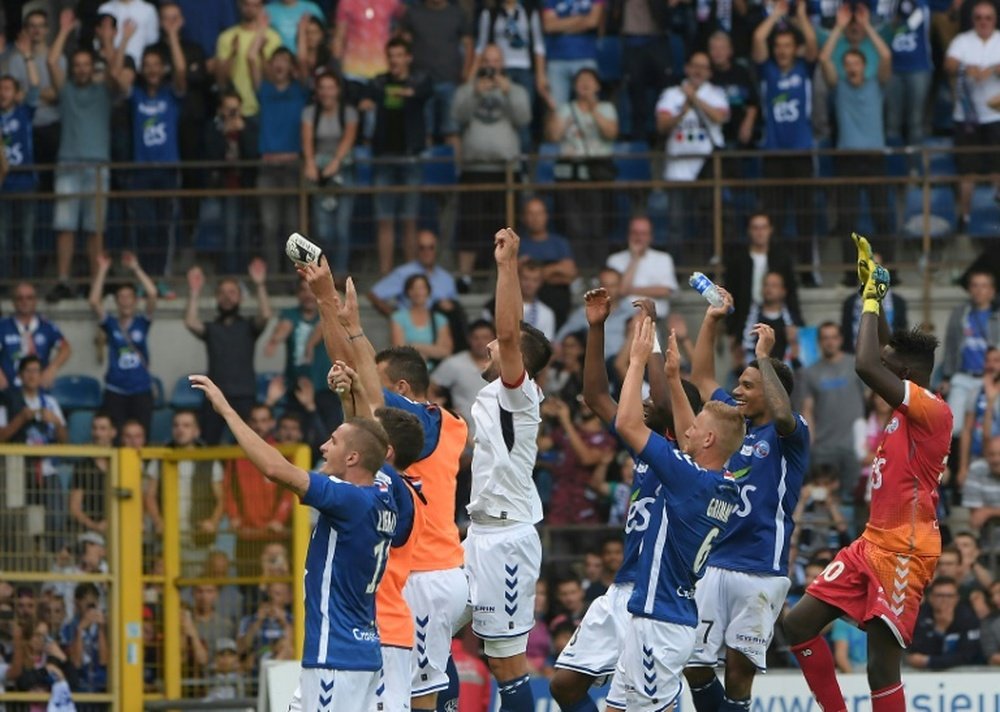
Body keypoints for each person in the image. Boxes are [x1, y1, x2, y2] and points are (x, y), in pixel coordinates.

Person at [783, 235, 953, 712]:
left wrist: (872, 302)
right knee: (796, 626)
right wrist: (870, 296)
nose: (883, 361)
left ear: (904, 374)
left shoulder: (933, 411)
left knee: (881, 664)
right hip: (872, 541)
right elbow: (882, 353)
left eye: (890, 365)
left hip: (906, 547)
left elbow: (865, 362)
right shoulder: (908, 400)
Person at [298, 259, 469, 712]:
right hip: (431, 570)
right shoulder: (447, 425)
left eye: (377, 375)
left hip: (423, 575)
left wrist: (330, 305)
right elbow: (355, 385)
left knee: (414, 697)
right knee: (426, 683)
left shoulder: (419, 421)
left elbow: (361, 377)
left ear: (402, 387)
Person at [190, 373, 398, 710]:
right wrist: (348, 396)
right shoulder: (382, 493)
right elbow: (364, 441)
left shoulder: (347, 500)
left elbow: (274, 469)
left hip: (336, 657)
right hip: (360, 652)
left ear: (352, 459)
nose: (322, 447)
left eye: (332, 441)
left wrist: (227, 412)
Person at [549, 289, 698, 712]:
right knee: (564, 685)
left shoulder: (689, 460)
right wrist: (596, 328)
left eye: (655, 400)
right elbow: (596, 396)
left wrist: (649, 337)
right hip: (623, 586)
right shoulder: (645, 448)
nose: (645, 401)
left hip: (658, 594)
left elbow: (666, 395)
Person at [684, 290, 810, 711]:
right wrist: (711, 318)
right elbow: (701, 377)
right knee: (695, 665)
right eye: (739, 382)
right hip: (714, 562)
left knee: (739, 673)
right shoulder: (732, 424)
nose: (737, 390)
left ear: (772, 391)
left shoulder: (789, 433)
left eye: (748, 385)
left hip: (759, 569)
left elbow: (781, 413)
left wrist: (765, 357)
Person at [614, 320, 746, 712]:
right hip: (667, 615)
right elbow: (697, 435)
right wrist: (673, 378)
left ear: (708, 440)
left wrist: (637, 362)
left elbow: (626, 423)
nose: (683, 432)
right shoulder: (723, 482)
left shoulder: (689, 479)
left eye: (695, 430)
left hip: (660, 620)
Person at [462, 228, 552, 712]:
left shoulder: (519, 396)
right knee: (429, 620)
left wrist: (506, 266)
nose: (490, 346)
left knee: (506, 664)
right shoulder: (495, 396)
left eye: (499, 345)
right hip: (475, 534)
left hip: (506, 540)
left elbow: (509, 333)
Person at [45, 8, 116, 303]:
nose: (82, 69)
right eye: (77, 65)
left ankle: (94, 280)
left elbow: (113, 69)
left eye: (87, 65)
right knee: (65, 226)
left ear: (92, 66)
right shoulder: (66, 91)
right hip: (68, 165)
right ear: (73, 67)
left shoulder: (104, 91)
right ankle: (64, 279)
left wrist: (108, 39)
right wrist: (64, 30)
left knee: (94, 229)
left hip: (98, 167)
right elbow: (51, 60)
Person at [821, 3, 894, 271]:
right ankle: (847, 269)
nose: (852, 67)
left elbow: (886, 57)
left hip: (875, 156)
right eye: (848, 64)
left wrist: (866, 28)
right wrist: (840, 27)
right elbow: (824, 59)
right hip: (847, 157)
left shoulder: (877, 83)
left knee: (881, 216)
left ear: (864, 66)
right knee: (847, 218)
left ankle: (891, 269)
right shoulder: (838, 86)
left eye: (857, 63)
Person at [752, 0, 820, 281]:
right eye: (778, 46)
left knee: (805, 215)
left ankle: (806, 272)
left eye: (788, 46)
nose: (782, 51)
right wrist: (778, 14)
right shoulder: (766, 70)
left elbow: (813, 43)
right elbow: (757, 38)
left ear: (795, 48)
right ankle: (775, 272)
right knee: (774, 217)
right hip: (774, 153)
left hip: (802, 151)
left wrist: (801, 16)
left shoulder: (804, 68)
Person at [452, 43, 531, 282]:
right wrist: (475, 93)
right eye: (486, 61)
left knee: (506, 228)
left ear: (502, 64)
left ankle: (506, 276)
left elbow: (524, 118)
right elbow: (457, 116)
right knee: (469, 226)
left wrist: (507, 93)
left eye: (495, 61)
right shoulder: (467, 89)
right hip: (474, 169)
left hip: (506, 171)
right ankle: (465, 277)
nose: (490, 66)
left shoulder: (516, 90)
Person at [360, 37, 433, 276]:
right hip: (383, 158)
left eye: (400, 56)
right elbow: (365, 95)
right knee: (385, 221)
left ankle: (412, 276)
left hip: (411, 158)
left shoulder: (420, 81)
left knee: (409, 220)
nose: (395, 61)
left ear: (408, 58)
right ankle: (385, 276)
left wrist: (407, 93)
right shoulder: (379, 83)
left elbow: (423, 91)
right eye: (391, 57)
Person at [184, 261, 273, 444]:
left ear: (241, 297)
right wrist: (194, 292)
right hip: (214, 395)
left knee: (249, 446)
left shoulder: (248, 326)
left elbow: (265, 315)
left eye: (232, 292)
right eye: (222, 293)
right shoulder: (212, 328)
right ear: (216, 297)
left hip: (244, 396)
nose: (227, 297)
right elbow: (191, 322)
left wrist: (259, 284)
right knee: (207, 446)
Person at [655, 51, 729, 255]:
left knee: (709, 221)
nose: (698, 70)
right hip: (677, 169)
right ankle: (676, 271)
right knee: (676, 223)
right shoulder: (671, 94)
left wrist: (694, 98)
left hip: (707, 168)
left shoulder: (716, 93)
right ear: (687, 68)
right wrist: (682, 110)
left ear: (709, 72)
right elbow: (662, 125)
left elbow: (720, 117)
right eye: (694, 65)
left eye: (703, 67)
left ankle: (709, 268)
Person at [88, 252, 158, 435]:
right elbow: (94, 301)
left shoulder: (142, 322)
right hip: (115, 390)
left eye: (129, 297)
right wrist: (103, 270)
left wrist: (135, 268)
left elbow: (152, 293)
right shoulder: (111, 324)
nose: (125, 301)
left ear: (135, 301)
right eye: (121, 297)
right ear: (117, 301)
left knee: (143, 434)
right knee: (116, 436)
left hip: (141, 388)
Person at [944, 0, 1000, 227]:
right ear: (972, 20)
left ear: (994, 19)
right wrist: (967, 68)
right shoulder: (962, 41)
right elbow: (948, 64)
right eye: (979, 17)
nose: (983, 22)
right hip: (966, 117)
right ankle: (964, 217)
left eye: (988, 17)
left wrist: (995, 69)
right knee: (967, 170)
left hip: (996, 116)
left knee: (998, 167)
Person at [548, 67, 618, 247]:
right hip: (570, 173)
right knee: (572, 224)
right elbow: (553, 136)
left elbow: (611, 133)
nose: (585, 83)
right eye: (580, 80)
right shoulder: (565, 109)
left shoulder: (606, 108)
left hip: (597, 172)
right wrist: (560, 117)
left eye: (589, 80)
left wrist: (593, 109)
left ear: (598, 86)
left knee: (598, 222)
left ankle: (596, 267)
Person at [222, 404, 295, 574]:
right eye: (254, 421)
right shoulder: (235, 454)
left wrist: (279, 519)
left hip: (275, 534)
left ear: (271, 423)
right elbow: (229, 489)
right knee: (247, 586)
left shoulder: (284, 452)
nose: (258, 425)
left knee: (278, 584)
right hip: (246, 533)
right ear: (247, 423)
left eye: (263, 420)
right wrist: (234, 517)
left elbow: (289, 491)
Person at [802, 322, 867, 502]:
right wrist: (810, 444)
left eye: (833, 337)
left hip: (853, 447)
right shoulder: (810, 373)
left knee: (853, 502)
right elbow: (807, 409)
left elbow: (871, 400)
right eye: (825, 338)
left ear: (840, 340)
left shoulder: (856, 365)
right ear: (819, 342)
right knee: (824, 502)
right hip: (823, 448)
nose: (830, 342)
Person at [301, 70, 359, 274]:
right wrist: (309, 163)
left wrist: (336, 161)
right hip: (319, 173)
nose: (327, 92)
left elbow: (349, 137)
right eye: (322, 88)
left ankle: (341, 274)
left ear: (338, 90)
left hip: (343, 171)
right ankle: (323, 273)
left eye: (331, 87)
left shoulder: (348, 112)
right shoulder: (310, 112)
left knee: (342, 229)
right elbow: (307, 139)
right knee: (323, 230)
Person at [399, 0, 474, 147]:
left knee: (452, 131)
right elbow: (402, 42)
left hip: (450, 80)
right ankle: (425, 169)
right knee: (424, 132)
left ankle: (455, 170)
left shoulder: (457, 13)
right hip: (420, 82)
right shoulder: (413, 13)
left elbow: (468, 44)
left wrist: (466, 72)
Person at [723, 212, 802, 340]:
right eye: (755, 228)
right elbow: (730, 293)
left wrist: (796, 322)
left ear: (770, 230)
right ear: (749, 231)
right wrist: (731, 328)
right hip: (746, 320)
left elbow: (791, 291)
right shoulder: (738, 260)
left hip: (777, 318)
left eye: (763, 228)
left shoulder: (782, 258)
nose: (760, 233)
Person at [941, 270, 1000, 440]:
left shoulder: (997, 316)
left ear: (992, 290)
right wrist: (946, 376)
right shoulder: (960, 313)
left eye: (984, 286)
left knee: (990, 426)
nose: (979, 290)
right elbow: (951, 346)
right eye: (975, 285)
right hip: (963, 377)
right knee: (953, 427)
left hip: (990, 379)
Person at [0, 70, 39, 279]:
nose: (2, 93)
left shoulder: (24, 112)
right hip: (2, 187)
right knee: (3, 239)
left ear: (16, 93)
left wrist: (27, 58)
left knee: (26, 239)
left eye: (6, 89)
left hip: (25, 185)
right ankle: (4, 286)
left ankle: (27, 283)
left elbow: (35, 88)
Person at [214, 0, 282, 117]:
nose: (251, 9)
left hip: (263, 108)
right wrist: (233, 54)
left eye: (256, 5)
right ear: (240, 5)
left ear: (262, 8)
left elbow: (274, 78)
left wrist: (261, 53)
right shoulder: (226, 37)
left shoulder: (273, 38)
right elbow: (221, 80)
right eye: (247, 4)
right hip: (235, 109)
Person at [369, 230, 459, 316]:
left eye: (431, 247)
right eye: (422, 248)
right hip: (409, 329)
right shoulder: (403, 273)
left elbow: (454, 308)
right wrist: (395, 317)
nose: (426, 252)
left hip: (439, 329)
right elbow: (374, 294)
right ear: (416, 250)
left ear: (437, 250)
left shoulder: (447, 278)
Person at [518, 197, 577, 327]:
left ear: (546, 216)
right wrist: (555, 270)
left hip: (558, 306)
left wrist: (538, 272)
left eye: (539, 213)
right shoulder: (518, 244)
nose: (535, 218)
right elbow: (516, 276)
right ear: (523, 218)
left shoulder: (560, 243)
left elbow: (569, 274)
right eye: (531, 213)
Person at [0, 282, 71, 390]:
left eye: (29, 298)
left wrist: (52, 369)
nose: (25, 302)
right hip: (9, 391)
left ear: (36, 301)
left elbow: (66, 348)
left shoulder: (47, 326)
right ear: (13, 302)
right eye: (20, 298)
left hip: (38, 391)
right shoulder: (3, 326)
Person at [606, 217, 678, 321]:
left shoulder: (664, 259)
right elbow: (617, 292)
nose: (639, 238)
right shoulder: (614, 260)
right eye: (635, 233)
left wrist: (629, 290)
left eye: (643, 233)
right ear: (628, 235)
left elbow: (666, 291)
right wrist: (635, 259)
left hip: (655, 318)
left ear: (650, 237)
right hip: (621, 319)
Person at [431, 320, 496, 431]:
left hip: (500, 434)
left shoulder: (504, 364)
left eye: (485, 337)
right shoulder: (454, 363)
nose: (480, 342)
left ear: (494, 339)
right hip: (465, 437)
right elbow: (431, 386)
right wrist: (442, 411)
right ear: (469, 339)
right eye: (476, 338)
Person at [906, 576, 984, 669]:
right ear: (931, 598)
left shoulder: (969, 618)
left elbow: (967, 656)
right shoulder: (919, 617)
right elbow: (914, 655)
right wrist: (940, 629)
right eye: (939, 595)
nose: (944, 600)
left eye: (949, 596)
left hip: (965, 675)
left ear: (957, 598)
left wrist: (929, 661)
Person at [541, 0, 603, 105]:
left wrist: (561, 25)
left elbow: (593, 22)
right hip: (557, 59)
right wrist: (580, 20)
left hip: (586, 57)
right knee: (557, 111)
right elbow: (549, 26)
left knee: (589, 107)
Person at [390, 274, 453, 370]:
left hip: (436, 371)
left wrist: (415, 346)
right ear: (408, 292)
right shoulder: (398, 317)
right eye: (413, 288)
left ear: (428, 291)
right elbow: (399, 349)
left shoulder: (439, 319)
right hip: (408, 370)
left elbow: (445, 351)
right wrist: (431, 350)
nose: (418, 292)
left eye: (422, 288)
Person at [68, 413, 116, 535]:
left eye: (103, 429)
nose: (97, 433)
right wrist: (96, 526)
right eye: (95, 428)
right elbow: (75, 508)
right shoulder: (82, 467)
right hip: (93, 531)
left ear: (113, 432)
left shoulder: (121, 464)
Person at [966, 435, 1000, 531]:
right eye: (992, 454)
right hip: (988, 539)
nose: (996, 460)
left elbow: (983, 513)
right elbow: (976, 516)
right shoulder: (977, 469)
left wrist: (989, 512)